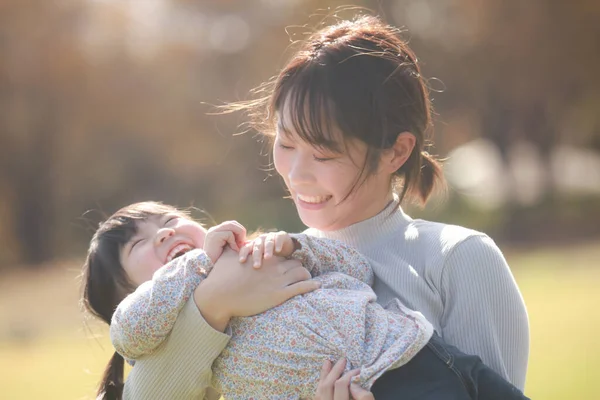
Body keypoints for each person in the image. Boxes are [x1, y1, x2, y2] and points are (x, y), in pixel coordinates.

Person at [118, 14, 529, 399]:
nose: (297, 174)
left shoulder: (460, 260)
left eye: (324, 154)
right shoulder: (258, 264)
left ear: (397, 151)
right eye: (286, 143)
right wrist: (214, 303)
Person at [82, 201, 528, 400]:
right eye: (137, 244)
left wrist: (297, 247)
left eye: (170, 219)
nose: (164, 231)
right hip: (382, 387)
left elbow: (357, 271)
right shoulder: (162, 347)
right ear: (131, 296)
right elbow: (129, 331)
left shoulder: (255, 252)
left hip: (416, 345)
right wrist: (198, 277)